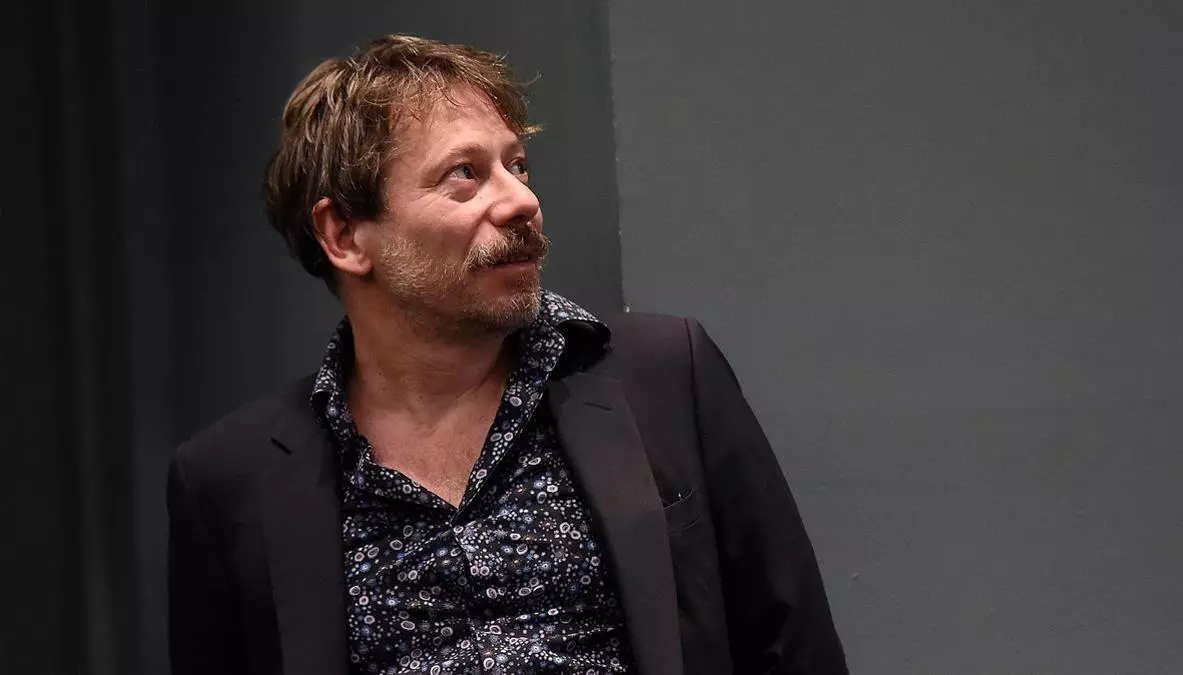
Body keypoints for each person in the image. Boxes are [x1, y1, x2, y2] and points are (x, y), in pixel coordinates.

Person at [166, 34, 848, 675]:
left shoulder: (667, 377)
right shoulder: (231, 482)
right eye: (464, 175)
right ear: (343, 235)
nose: (522, 200)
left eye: (517, 165)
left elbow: (794, 649)